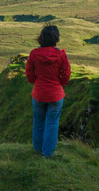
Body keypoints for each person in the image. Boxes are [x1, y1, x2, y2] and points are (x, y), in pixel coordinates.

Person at [25, 24, 71, 157]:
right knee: (52, 124)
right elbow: (66, 73)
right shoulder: (61, 55)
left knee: (38, 122)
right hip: (56, 94)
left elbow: (29, 73)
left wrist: (35, 81)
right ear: (56, 38)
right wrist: (60, 84)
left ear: (41, 38)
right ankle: (47, 154)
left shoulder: (34, 53)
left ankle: (37, 150)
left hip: (39, 93)